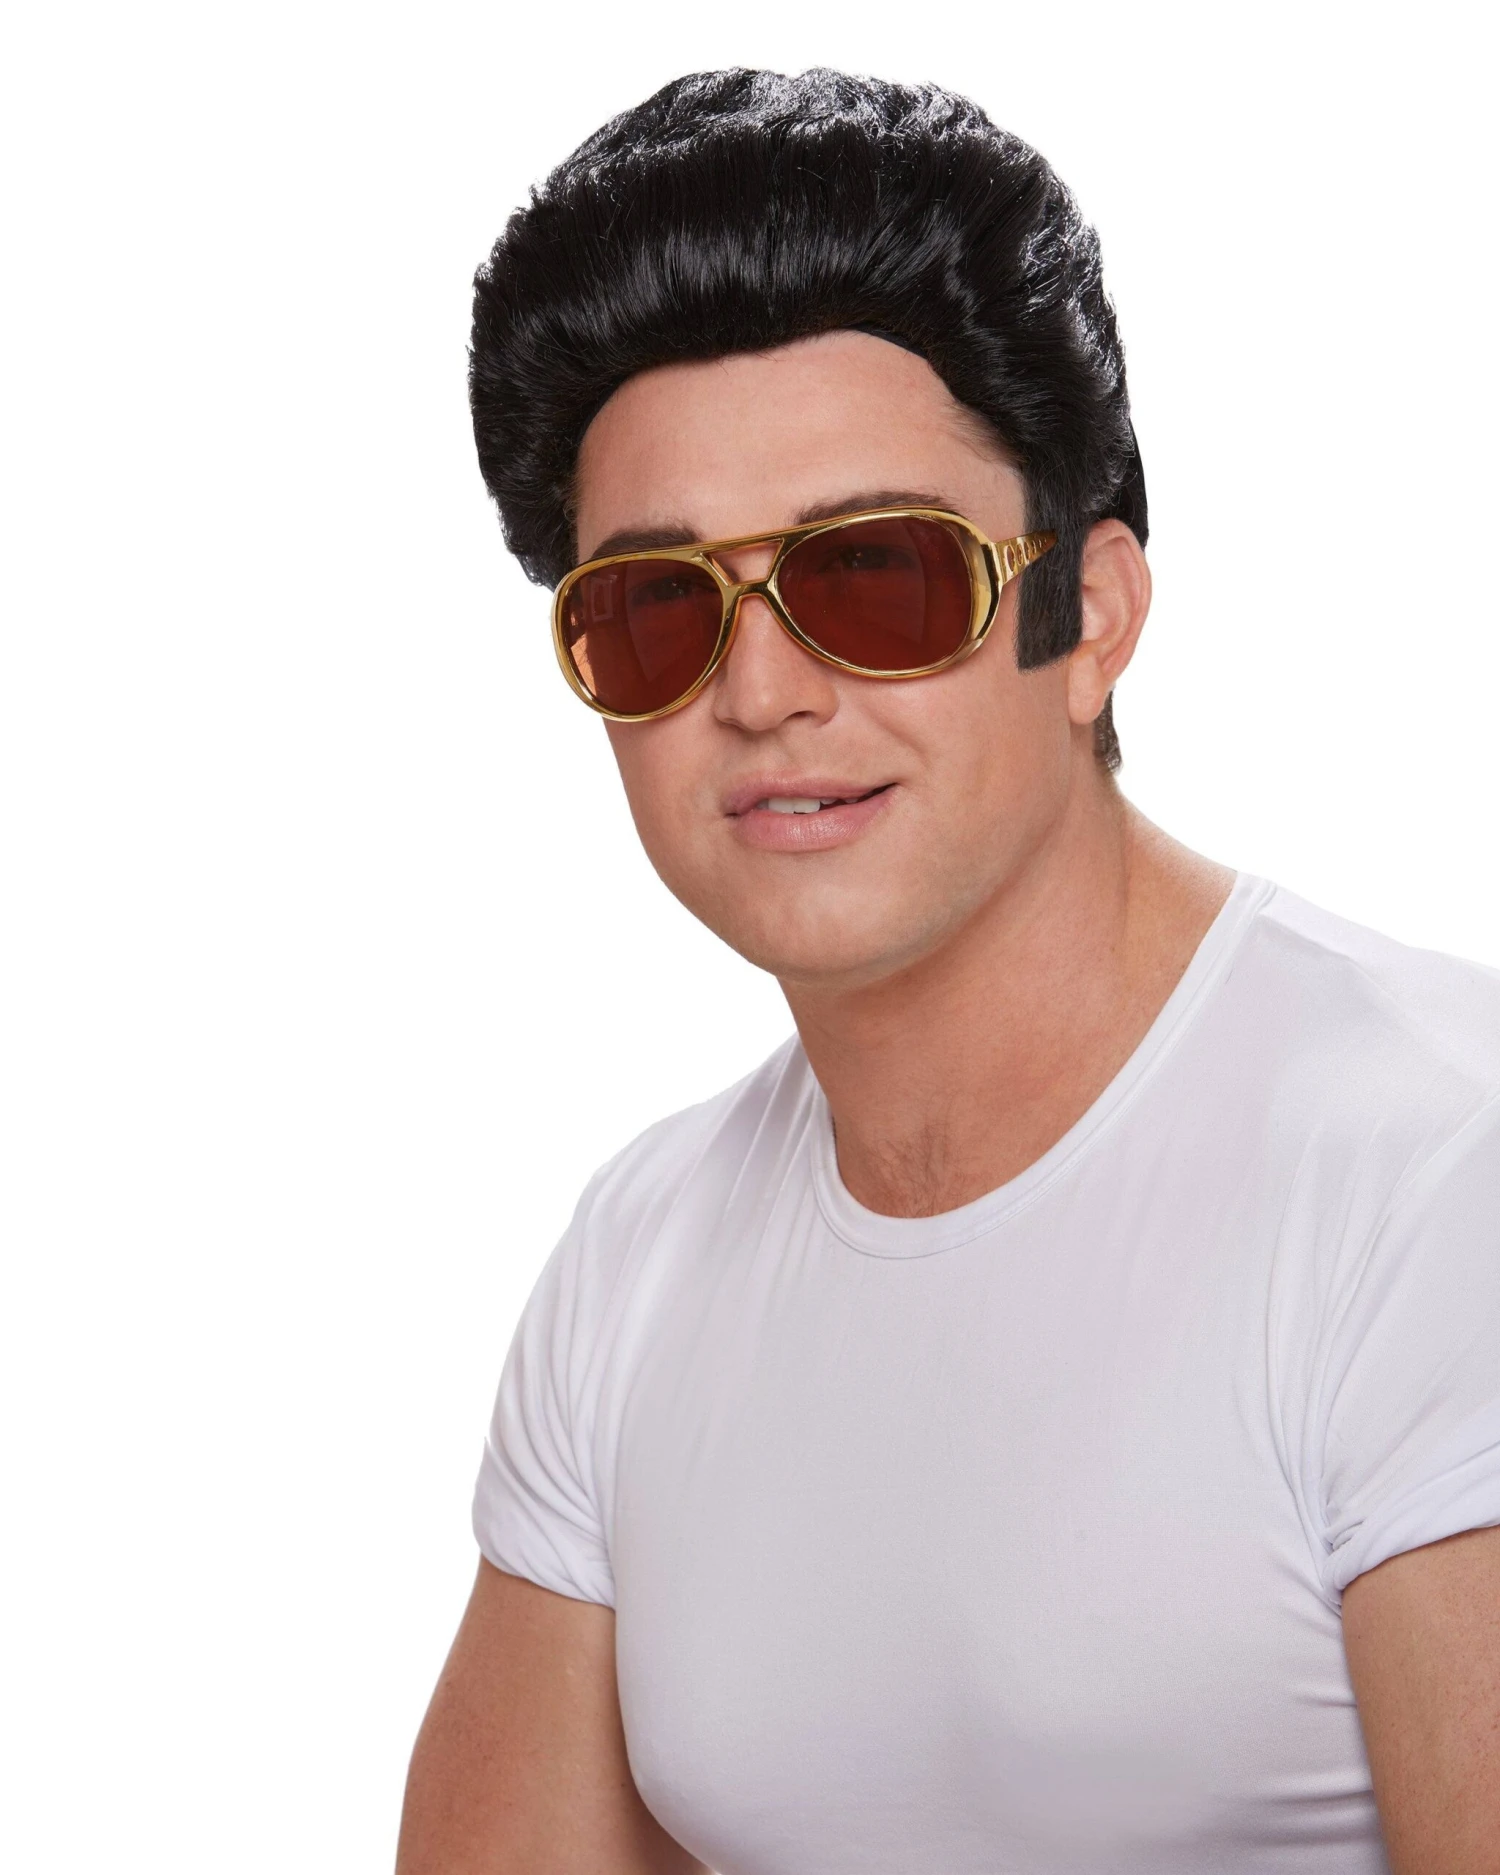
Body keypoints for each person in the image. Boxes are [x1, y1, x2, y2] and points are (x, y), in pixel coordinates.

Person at [396, 68, 1500, 1875]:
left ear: (1094, 618)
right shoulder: (637, 1264)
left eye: (878, 578)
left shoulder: (1436, 1178)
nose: (762, 693)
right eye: (659, 609)